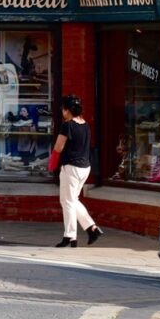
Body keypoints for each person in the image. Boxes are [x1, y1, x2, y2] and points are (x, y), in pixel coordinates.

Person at [53, 95, 102, 247]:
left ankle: (69, 236)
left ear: (67, 110)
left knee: (67, 201)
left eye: (63, 108)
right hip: (84, 167)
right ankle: (91, 228)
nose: (62, 111)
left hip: (71, 167)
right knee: (73, 200)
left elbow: (58, 147)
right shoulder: (86, 125)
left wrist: (53, 160)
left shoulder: (67, 125)